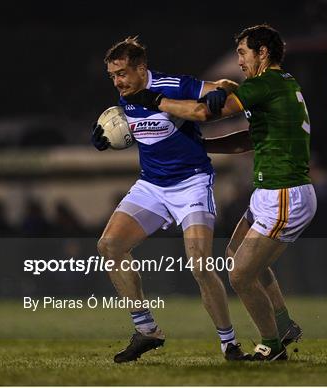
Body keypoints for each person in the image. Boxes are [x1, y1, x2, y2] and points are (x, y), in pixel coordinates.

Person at [124, 24, 316, 361]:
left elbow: (203, 112)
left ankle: (272, 346)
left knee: (241, 275)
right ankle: (284, 325)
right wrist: (203, 145)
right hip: (269, 191)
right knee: (234, 254)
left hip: (285, 192)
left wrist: (156, 100)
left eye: (243, 53)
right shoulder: (278, 85)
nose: (240, 61)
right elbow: (247, 139)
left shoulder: (264, 84)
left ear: (263, 53)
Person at [92, 36, 250, 362]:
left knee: (200, 263)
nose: (117, 81)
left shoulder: (172, 84)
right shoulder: (125, 97)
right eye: (112, 76)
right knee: (110, 246)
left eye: (122, 73)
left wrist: (221, 93)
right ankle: (147, 330)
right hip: (152, 186)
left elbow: (228, 90)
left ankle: (229, 344)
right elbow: (139, 129)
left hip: (192, 182)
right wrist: (107, 136)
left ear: (141, 68)